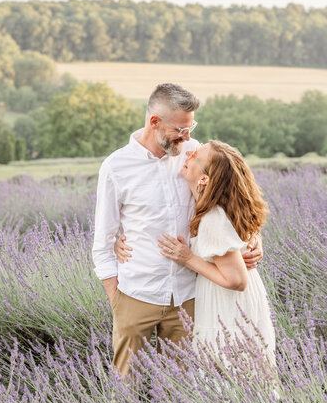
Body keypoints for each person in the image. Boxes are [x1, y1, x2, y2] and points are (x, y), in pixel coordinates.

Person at [92, 84, 263, 377]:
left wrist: (252, 239)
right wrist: (116, 300)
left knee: (180, 394)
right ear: (154, 122)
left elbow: (233, 199)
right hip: (137, 294)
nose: (186, 137)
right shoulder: (116, 167)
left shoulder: (195, 155)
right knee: (126, 389)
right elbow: (103, 242)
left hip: (189, 296)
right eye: (180, 129)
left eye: (190, 127)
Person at [157, 141, 275, 366]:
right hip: (238, 302)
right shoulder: (219, 205)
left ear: (204, 179)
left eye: (195, 155)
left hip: (228, 305)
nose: (188, 154)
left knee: (230, 373)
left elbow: (237, 280)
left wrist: (187, 258)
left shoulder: (213, 218)